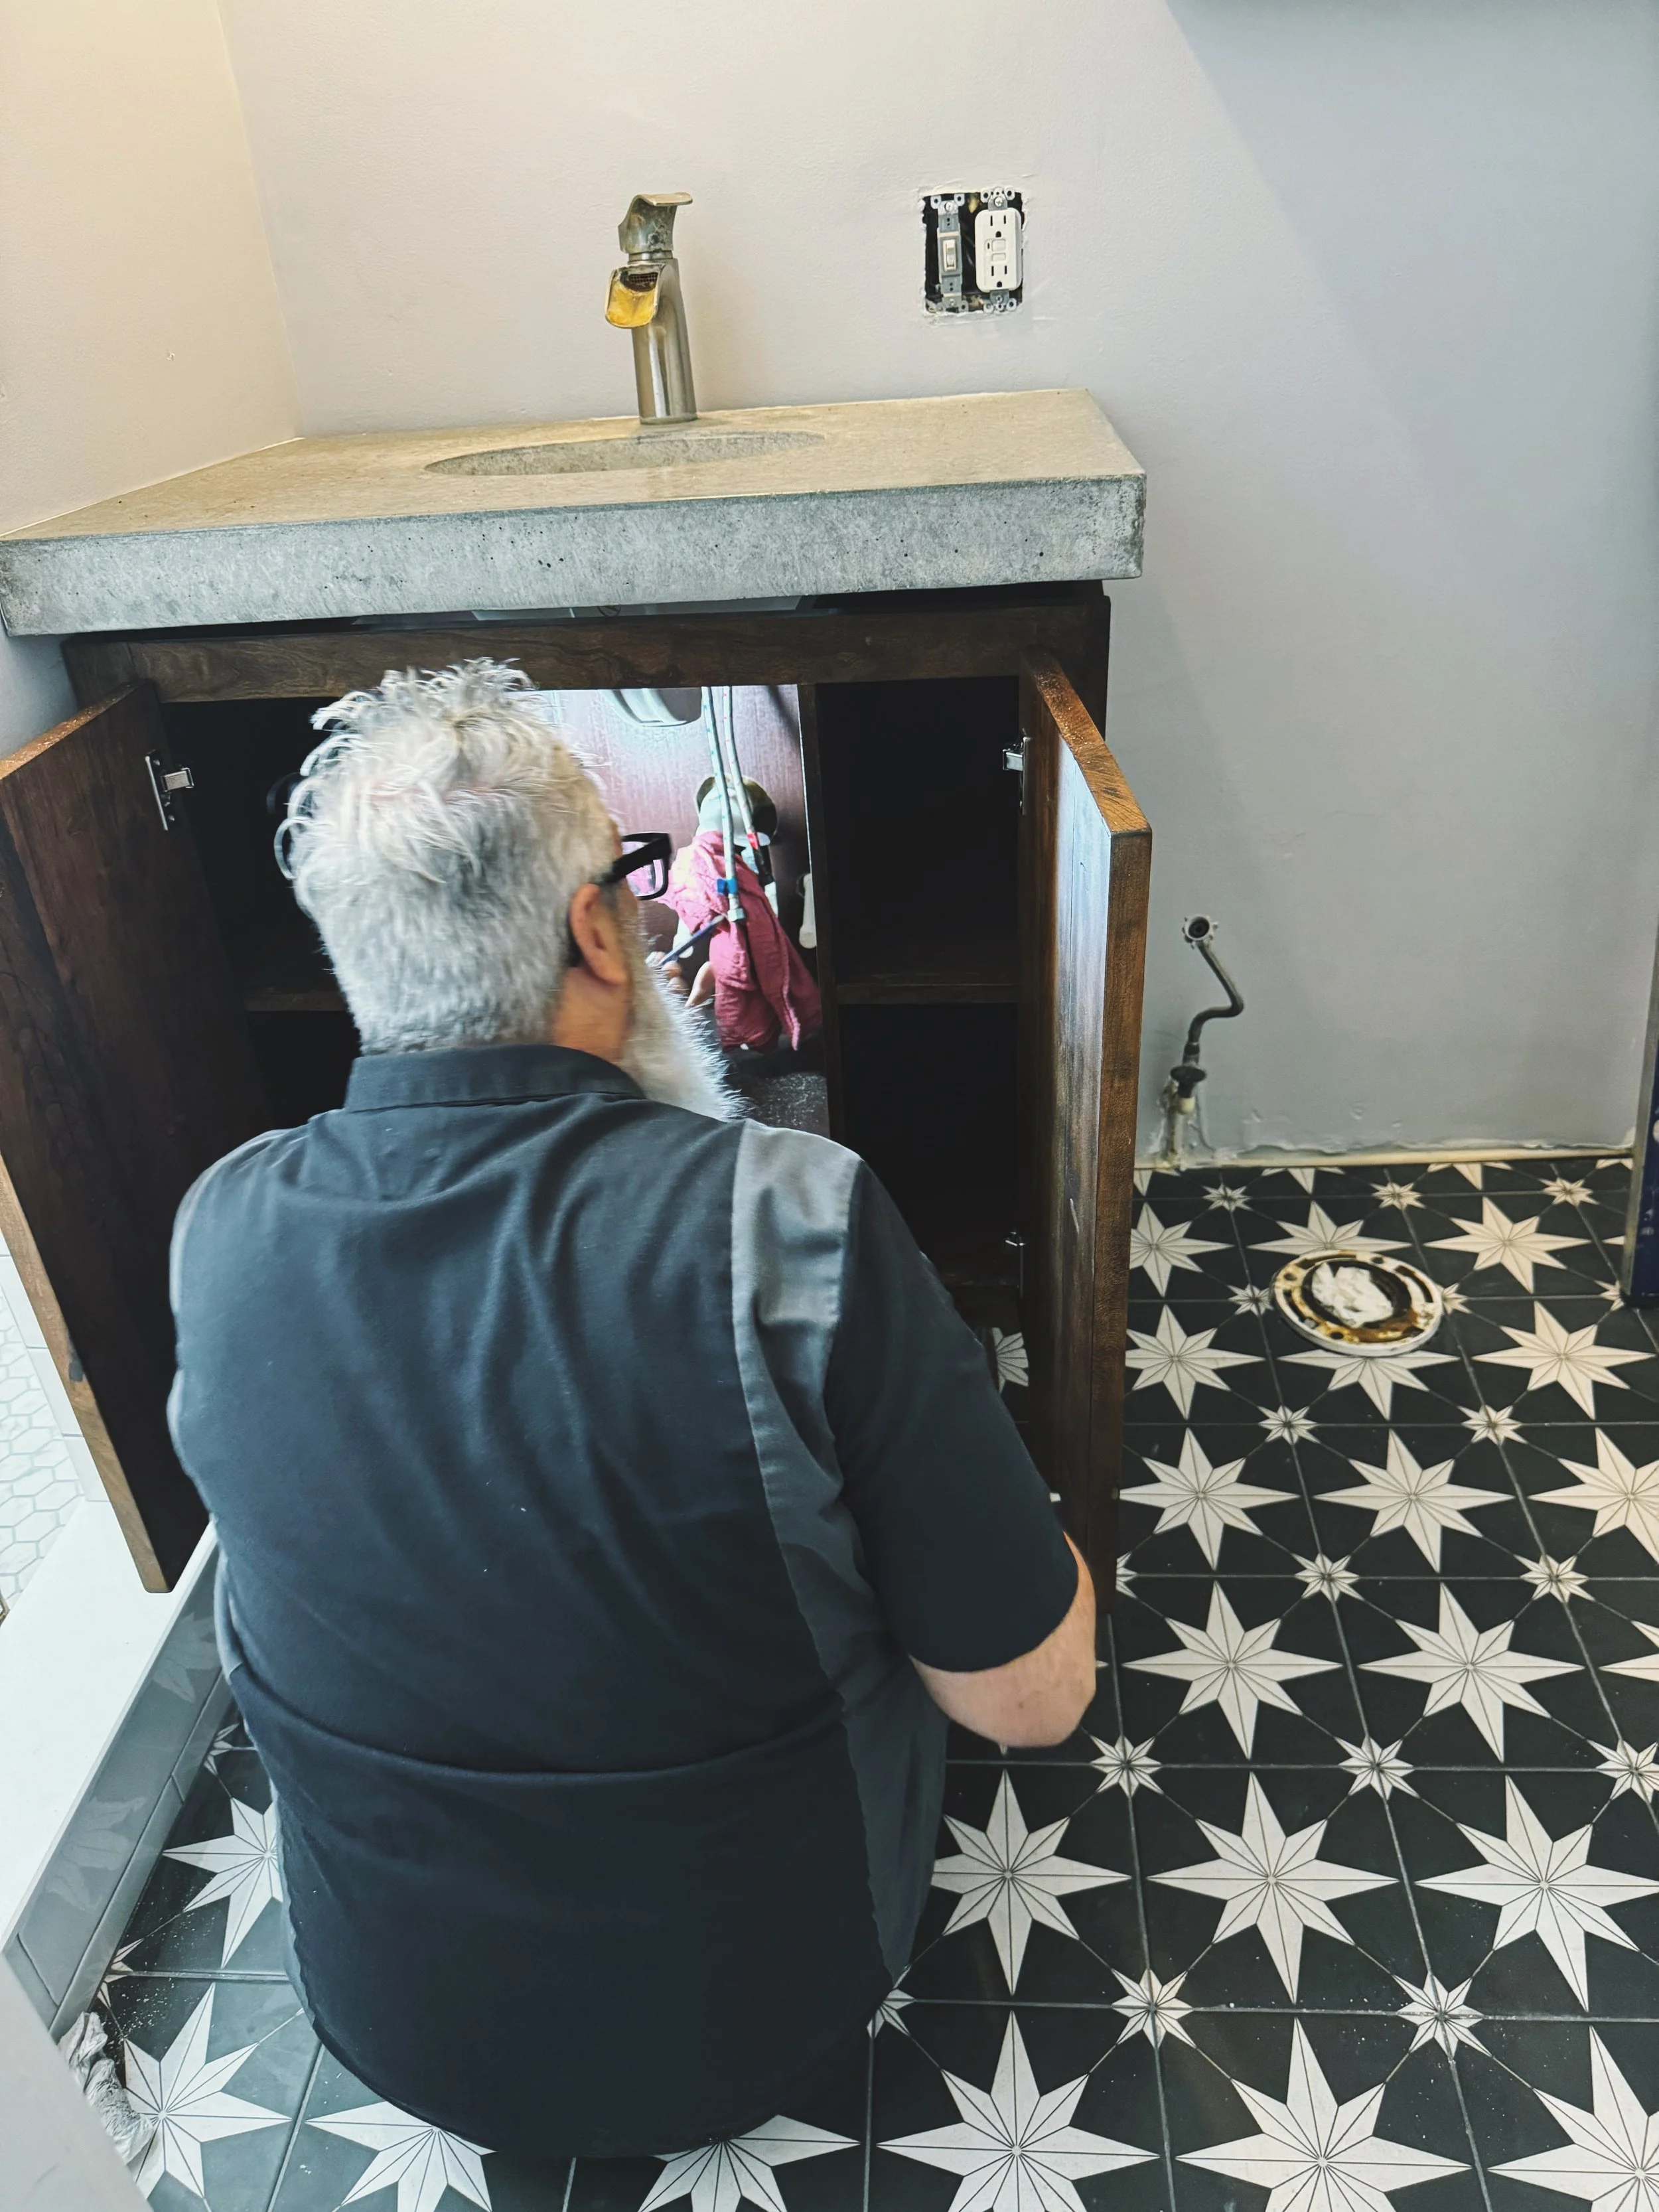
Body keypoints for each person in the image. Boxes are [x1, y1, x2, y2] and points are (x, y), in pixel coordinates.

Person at [167, 660, 1094, 2162]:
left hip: (384, 2013)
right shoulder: (795, 1218)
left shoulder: (221, 1225)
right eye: (635, 884)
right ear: (597, 930)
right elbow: (1026, 1699)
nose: (654, 919)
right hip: (751, 2017)